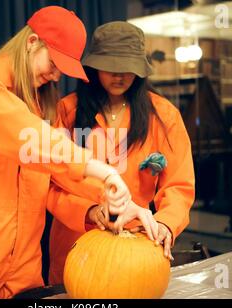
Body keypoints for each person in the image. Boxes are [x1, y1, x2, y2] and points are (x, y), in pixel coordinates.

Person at [0, 7, 133, 299]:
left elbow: (58, 172)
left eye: (63, 69)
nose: (56, 75)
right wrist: (105, 170)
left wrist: (108, 197)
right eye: (54, 62)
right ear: (32, 42)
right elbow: (27, 138)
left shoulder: (41, 104)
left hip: (25, 265)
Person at [48, 21, 195, 285]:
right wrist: (90, 210)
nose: (120, 76)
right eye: (111, 67)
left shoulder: (164, 116)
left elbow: (179, 186)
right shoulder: (67, 111)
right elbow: (51, 184)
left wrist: (165, 224)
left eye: (128, 67)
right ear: (93, 66)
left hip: (137, 252)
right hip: (75, 246)